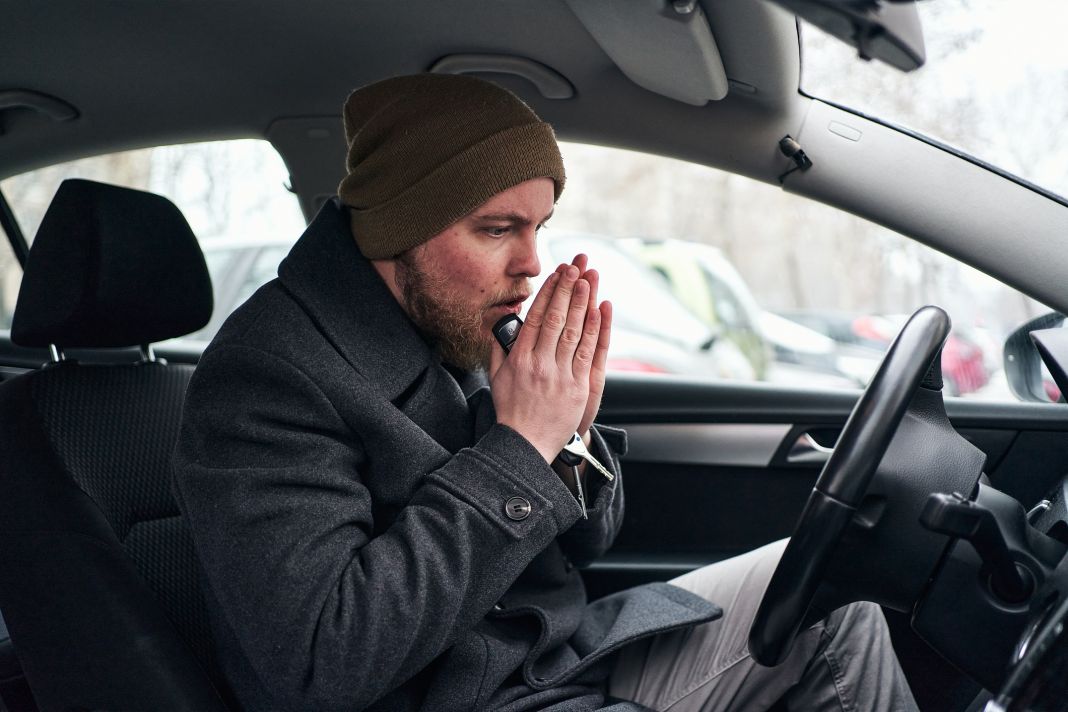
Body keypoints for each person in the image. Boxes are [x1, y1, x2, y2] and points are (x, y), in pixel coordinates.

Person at [172, 73, 917, 711]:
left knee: (834, 596)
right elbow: (325, 659)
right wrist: (522, 445)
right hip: (471, 698)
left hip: (557, 661)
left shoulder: (454, 318)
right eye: (498, 228)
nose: (532, 262)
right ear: (401, 229)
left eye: (539, 226)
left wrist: (570, 428)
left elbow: (590, 540)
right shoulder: (269, 374)